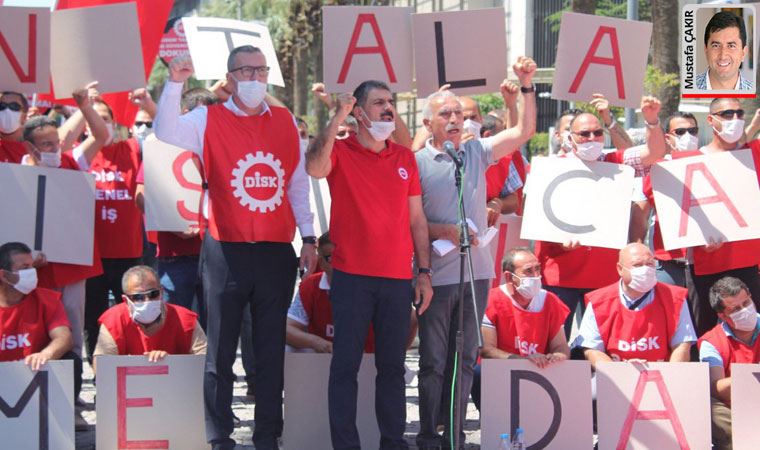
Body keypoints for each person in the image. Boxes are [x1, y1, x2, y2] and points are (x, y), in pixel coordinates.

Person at [154, 47, 316, 450]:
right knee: (221, 349)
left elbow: (297, 184)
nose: (256, 78)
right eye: (247, 70)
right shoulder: (208, 117)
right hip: (226, 250)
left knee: (268, 349)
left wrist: (310, 237)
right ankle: (219, 432)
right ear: (230, 76)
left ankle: (267, 433)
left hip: (276, 250)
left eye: (262, 70)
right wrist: (176, 83)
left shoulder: (284, 122)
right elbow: (165, 133)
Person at [413, 56, 537, 449]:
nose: (454, 120)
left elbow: (524, 130)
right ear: (428, 124)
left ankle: (454, 432)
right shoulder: (416, 163)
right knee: (433, 361)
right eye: (445, 114)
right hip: (437, 276)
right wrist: (444, 230)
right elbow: (410, 224)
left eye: (459, 113)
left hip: (476, 274)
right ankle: (428, 432)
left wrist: (527, 85)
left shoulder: (476, 153)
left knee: (466, 357)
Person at [306, 79, 432, 450]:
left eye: (390, 101)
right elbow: (314, 167)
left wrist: (423, 273)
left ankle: (393, 443)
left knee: (392, 369)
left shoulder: (404, 156)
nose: (388, 108)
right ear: (358, 112)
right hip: (351, 278)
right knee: (345, 366)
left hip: (396, 279)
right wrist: (336, 116)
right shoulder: (340, 152)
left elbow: (417, 221)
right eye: (379, 103)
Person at [534, 96, 666, 337]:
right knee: (554, 343)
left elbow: (654, 152)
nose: (592, 139)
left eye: (597, 133)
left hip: (603, 276)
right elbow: (535, 218)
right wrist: (558, 240)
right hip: (558, 274)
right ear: (570, 138)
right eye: (584, 134)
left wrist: (652, 121)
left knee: (602, 345)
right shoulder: (550, 168)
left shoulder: (615, 163)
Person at [20, 85, 109, 399]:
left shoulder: (73, 162)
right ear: (30, 148)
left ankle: (70, 404)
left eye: (56, 142)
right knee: (35, 336)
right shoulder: (15, 173)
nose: (54, 148)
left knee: (69, 334)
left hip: (71, 269)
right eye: (46, 145)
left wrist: (85, 107)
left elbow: (101, 136)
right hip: (32, 272)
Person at [471, 247, 569, 411]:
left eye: (537, 269)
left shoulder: (550, 300)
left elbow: (561, 346)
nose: (536, 275)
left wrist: (558, 356)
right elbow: (486, 349)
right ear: (509, 277)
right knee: (478, 371)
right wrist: (523, 360)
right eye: (528, 271)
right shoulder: (492, 300)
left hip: (541, 369)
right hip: (503, 369)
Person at [573, 243, 696, 367]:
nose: (645, 270)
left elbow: (682, 345)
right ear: (620, 269)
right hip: (616, 377)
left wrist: (669, 376)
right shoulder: (599, 302)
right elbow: (592, 350)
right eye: (637, 265)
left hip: (663, 375)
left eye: (650, 264)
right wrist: (621, 372)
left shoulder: (675, 298)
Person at [631, 112, 700, 288]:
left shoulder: (711, 164)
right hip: (668, 262)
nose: (688, 136)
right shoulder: (658, 169)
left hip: (704, 262)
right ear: (668, 138)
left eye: (693, 131)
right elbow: (640, 215)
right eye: (681, 132)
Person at [93, 265, 206, 373]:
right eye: (138, 297)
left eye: (153, 294)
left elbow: (204, 361)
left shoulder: (186, 320)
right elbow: (101, 368)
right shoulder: (113, 320)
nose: (147, 301)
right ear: (126, 300)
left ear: (161, 292)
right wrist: (133, 365)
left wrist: (170, 363)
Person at [698, 277, 760, 450]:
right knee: (709, 405)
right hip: (734, 409)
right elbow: (715, 388)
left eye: (747, 302)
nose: (745, 310)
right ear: (723, 315)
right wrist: (752, 376)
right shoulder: (711, 342)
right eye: (736, 309)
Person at [0, 242, 73, 370]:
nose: (32, 272)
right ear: (4, 275)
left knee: (71, 359)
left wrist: (46, 354)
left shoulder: (47, 299)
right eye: (25, 268)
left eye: (32, 266)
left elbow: (64, 337)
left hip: (35, 369)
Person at [696, 11, 754, 91]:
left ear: (743, 53)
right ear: (706, 50)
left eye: (731, 46)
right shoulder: (684, 89)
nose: (723, 56)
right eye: (716, 46)